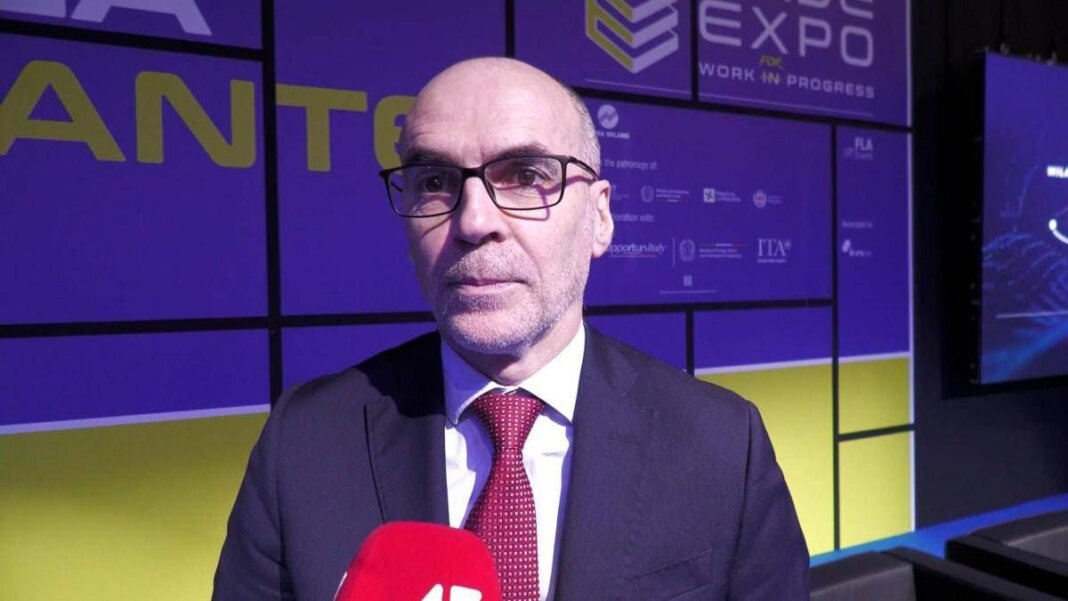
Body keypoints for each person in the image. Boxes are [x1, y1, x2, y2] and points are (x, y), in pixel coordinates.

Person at [213, 57, 808, 601]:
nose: (474, 220)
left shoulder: (722, 445)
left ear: (600, 216)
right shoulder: (305, 442)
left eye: (524, 175)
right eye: (435, 182)